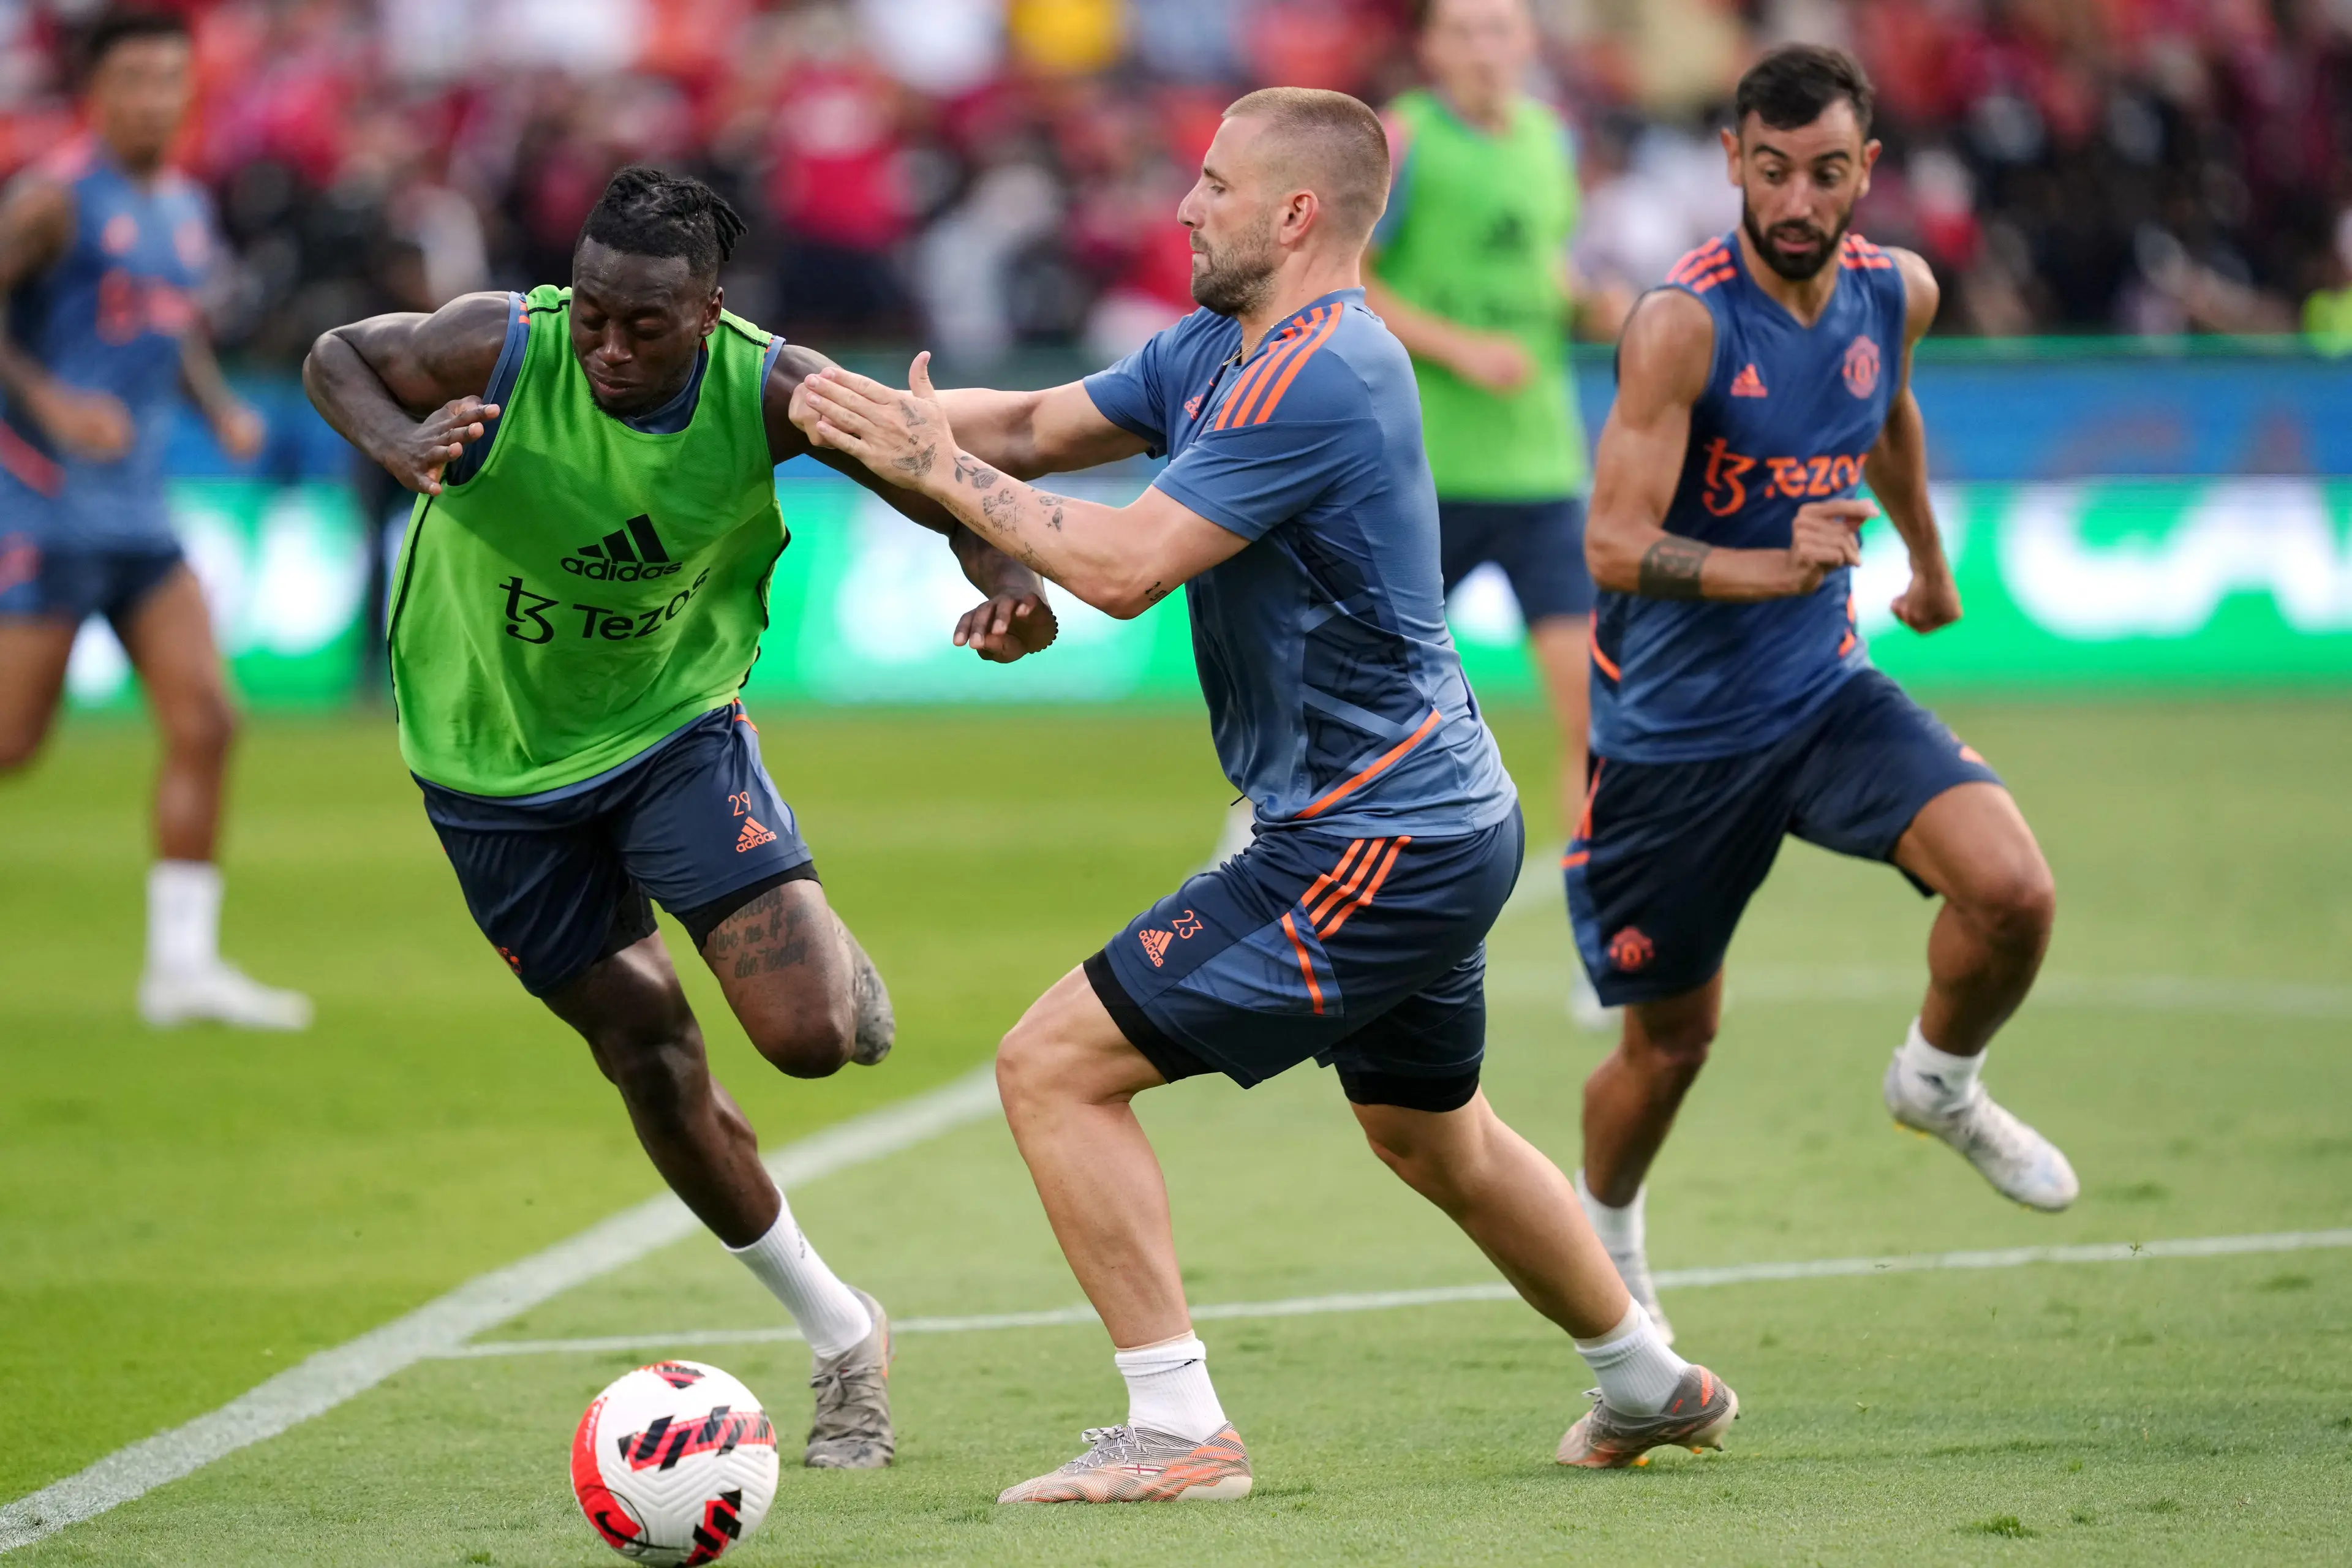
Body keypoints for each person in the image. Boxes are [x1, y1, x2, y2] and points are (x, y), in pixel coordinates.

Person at [794, 86, 1740, 1494]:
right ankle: (1649, 1380)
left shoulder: (1326, 371)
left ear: (1296, 215)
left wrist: (946, 474)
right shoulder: (1224, 343)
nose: (1186, 205)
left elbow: (1120, 567)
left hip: (1370, 832)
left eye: (1217, 186)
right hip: (1435, 814)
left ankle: (1178, 1427)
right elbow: (1037, 426)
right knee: (1437, 1133)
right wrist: (827, 412)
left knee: (1051, 1066)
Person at [302, 166, 1057, 1472]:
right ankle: (841, 1334)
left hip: (669, 731)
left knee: (813, 1042)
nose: (605, 343)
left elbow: (947, 484)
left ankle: (798, 911)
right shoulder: (502, 339)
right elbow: (334, 355)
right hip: (484, 768)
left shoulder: (780, 392)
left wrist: (1014, 581)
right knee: (647, 1053)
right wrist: (393, 441)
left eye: (643, 323)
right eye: (592, 310)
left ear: (711, 312)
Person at [1569, 45, 2078, 1343]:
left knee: (2013, 891)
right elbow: (1614, 547)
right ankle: (1609, 1240)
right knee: (1670, 1046)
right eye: (1775, 170)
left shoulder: (1894, 291)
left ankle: (1939, 1083)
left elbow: (1889, 414)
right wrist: (1768, 567)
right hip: (1673, 745)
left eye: (1829, 172)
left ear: (1868, 173)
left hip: (1821, 695)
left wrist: (1931, 559)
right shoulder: (1680, 322)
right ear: (1735, 162)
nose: (1800, 199)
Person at [0, 9, 308, 1030]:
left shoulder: (182, 205)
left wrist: (216, 406)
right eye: (134, 80)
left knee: (210, 719)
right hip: (41, 507)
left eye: (171, 80)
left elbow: (168, 325)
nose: (155, 99)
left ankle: (180, 970)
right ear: (96, 90)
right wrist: (45, 402)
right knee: (13, 744)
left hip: (136, 509)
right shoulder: (52, 200)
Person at [1361, 0, 1628, 1019]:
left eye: (1501, 30)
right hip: (1420, 473)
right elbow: (1349, 276)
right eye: (1464, 31)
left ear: (1527, 44)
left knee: (1592, 712)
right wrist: (1460, 348)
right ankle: (1267, 857)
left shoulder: (1551, 140)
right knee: (1365, 703)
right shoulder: (1406, 139)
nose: (1485, 48)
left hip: (1542, 473)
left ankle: (1602, 944)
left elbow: (1539, 263)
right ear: (1432, 48)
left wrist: (1585, 303)